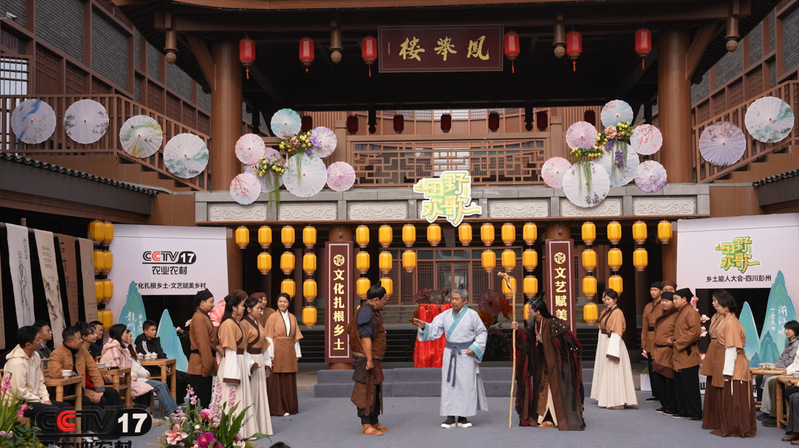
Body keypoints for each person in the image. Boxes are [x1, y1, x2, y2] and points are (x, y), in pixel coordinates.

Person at [412, 288, 488, 428]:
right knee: (449, 384)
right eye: (452, 298)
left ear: (465, 301)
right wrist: (424, 326)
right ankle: (450, 417)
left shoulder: (472, 315)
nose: (453, 302)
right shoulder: (445, 315)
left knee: (466, 384)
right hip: (450, 353)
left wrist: (475, 347)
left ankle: (463, 417)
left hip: (466, 354)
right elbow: (434, 329)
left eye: (457, 299)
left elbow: (482, 332)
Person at [511, 295, 584, 430]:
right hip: (543, 365)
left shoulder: (553, 323)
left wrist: (548, 343)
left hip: (557, 365)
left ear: (538, 311)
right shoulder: (534, 324)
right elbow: (527, 338)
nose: (528, 311)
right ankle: (545, 417)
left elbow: (567, 340)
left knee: (554, 390)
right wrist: (518, 330)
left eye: (530, 309)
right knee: (543, 390)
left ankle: (555, 418)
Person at [701, 289, 756, 438]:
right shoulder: (723, 319)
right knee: (727, 397)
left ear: (726, 308)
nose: (714, 305)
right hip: (724, 360)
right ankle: (727, 424)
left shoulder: (730, 323)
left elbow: (731, 348)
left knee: (733, 398)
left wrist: (727, 372)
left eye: (717, 303)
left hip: (734, 365)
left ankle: (735, 427)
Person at [49, 325, 122, 434]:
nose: (81, 340)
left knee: (112, 393)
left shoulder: (82, 350)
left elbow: (93, 369)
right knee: (89, 401)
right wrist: (73, 374)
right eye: (79, 338)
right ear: (70, 342)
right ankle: (86, 431)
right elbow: (55, 372)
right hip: (67, 390)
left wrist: (100, 389)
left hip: (81, 388)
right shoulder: (57, 353)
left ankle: (114, 428)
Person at [3, 325, 72, 434]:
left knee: (66, 408)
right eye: (38, 340)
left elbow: (40, 381)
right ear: (28, 345)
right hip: (16, 404)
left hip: (33, 399)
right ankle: (46, 441)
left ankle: (59, 440)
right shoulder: (16, 363)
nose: (41, 342)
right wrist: (41, 401)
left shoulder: (35, 355)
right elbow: (19, 392)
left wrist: (45, 399)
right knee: (52, 411)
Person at [101, 324, 179, 416]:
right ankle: (164, 413)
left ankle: (171, 411)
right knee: (153, 386)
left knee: (154, 386)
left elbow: (130, 367)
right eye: (126, 333)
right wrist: (133, 376)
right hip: (119, 381)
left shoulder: (123, 349)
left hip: (129, 378)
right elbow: (116, 369)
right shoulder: (113, 350)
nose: (129, 336)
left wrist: (134, 375)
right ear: (120, 334)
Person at [348, 282, 390, 436]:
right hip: (365, 358)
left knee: (375, 389)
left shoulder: (373, 311)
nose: (386, 302)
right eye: (384, 299)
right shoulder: (365, 312)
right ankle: (366, 425)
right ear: (376, 300)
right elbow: (365, 338)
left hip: (372, 358)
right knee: (365, 390)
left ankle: (374, 421)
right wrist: (369, 360)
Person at [217, 294, 258, 438]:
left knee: (239, 397)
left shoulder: (235, 322)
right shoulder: (229, 324)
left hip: (239, 361)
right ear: (234, 308)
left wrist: (250, 363)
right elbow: (230, 350)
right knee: (232, 397)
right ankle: (232, 432)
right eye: (241, 305)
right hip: (232, 364)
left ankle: (241, 431)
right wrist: (232, 375)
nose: (243, 308)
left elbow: (242, 349)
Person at [592, 289, 637, 409]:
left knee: (614, 371)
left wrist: (613, 351)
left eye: (608, 299)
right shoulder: (605, 311)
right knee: (606, 370)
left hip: (613, 342)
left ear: (615, 300)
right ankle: (606, 397)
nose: (606, 301)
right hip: (605, 342)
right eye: (604, 299)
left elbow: (617, 332)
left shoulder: (617, 312)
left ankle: (617, 401)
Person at [265, 292, 303, 416]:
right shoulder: (272, 317)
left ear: (289, 303)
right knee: (278, 379)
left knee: (289, 378)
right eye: (280, 301)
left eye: (285, 302)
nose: (282, 304)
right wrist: (270, 355)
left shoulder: (292, 317)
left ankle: (290, 406)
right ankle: (278, 408)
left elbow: (295, 337)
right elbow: (269, 337)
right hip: (277, 350)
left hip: (289, 350)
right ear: (277, 303)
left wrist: (297, 353)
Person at [135, 319, 191, 404]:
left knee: (186, 376)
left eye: (155, 330)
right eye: (152, 330)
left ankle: (178, 400)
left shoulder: (156, 341)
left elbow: (162, 354)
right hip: (151, 369)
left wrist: (168, 367)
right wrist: (164, 368)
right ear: (145, 331)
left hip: (162, 367)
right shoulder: (142, 342)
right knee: (178, 378)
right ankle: (173, 401)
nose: (154, 332)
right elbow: (149, 357)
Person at [242, 296, 273, 436]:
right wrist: (250, 363)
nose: (260, 310)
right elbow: (242, 348)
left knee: (260, 393)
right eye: (258, 308)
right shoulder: (243, 324)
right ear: (248, 309)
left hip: (260, 359)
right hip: (251, 361)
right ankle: (250, 428)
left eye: (261, 308)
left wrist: (267, 362)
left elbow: (264, 345)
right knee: (252, 393)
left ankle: (261, 426)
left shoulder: (258, 323)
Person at [759, 320, 799, 426]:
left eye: (789, 329)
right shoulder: (789, 343)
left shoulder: (796, 344)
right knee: (763, 377)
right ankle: (766, 411)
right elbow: (782, 359)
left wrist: (777, 368)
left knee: (770, 380)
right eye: (785, 329)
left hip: (789, 372)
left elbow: (790, 362)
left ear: (795, 330)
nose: (786, 331)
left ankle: (773, 414)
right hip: (786, 370)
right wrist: (773, 366)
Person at [671, 288, 702, 421]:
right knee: (680, 384)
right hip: (680, 353)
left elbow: (695, 332)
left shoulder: (690, 312)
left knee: (690, 385)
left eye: (675, 299)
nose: (673, 301)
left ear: (684, 299)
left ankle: (695, 412)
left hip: (687, 353)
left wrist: (678, 342)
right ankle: (683, 410)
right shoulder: (681, 312)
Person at [188, 288, 219, 408]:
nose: (213, 304)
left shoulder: (203, 316)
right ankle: (197, 420)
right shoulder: (199, 318)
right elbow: (203, 343)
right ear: (202, 303)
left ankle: (201, 419)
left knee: (202, 398)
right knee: (199, 399)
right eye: (211, 301)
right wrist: (206, 366)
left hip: (202, 363)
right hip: (200, 365)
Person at [651, 291, 679, 415]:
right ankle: (664, 404)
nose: (664, 303)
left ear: (673, 302)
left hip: (668, 350)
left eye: (667, 301)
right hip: (658, 350)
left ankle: (671, 406)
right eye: (662, 300)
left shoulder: (676, 315)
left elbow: (679, 332)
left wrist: (672, 340)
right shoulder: (662, 314)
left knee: (669, 380)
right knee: (658, 380)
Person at [640, 282, 663, 402]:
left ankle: (661, 393)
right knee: (651, 365)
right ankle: (655, 393)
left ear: (661, 291)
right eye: (651, 290)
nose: (653, 292)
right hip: (649, 335)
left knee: (659, 365)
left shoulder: (663, 304)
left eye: (655, 290)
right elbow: (644, 325)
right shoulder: (648, 306)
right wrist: (643, 340)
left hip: (659, 334)